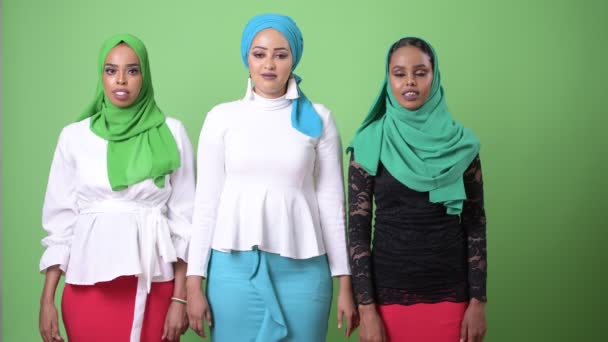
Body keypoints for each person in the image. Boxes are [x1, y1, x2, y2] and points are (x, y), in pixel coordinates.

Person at [186, 13, 357, 341]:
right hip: (232, 270)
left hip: (305, 272)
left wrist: (344, 283)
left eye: (281, 55)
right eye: (259, 54)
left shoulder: (319, 118)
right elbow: (206, 204)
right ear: (246, 59)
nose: (269, 64)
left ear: (294, 59)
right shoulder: (221, 118)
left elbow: (332, 205)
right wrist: (194, 283)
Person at [38, 33, 194, 342]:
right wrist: (47, 300)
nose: (121, 80)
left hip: (154, 283)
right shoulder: (74, 137)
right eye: (111, 70)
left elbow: (186, 223)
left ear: (144, 75)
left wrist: (180, 298)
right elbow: (61, 222)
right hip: (87, 285)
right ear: (102, 75)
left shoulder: (172, 132)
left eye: (132, 70)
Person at [347, 37, 487, 342]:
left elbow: (475, 223)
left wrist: (478, 301)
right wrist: (367, 308)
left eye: (421, 72)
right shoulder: (369, 143)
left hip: (451, 293)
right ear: (388, 79)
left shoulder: (462, 145)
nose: (410, 81)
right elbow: (357, 231)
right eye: (399, 73)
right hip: (387, 296)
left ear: (434, 77)